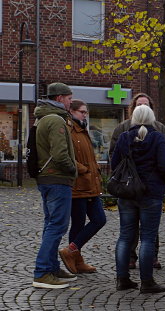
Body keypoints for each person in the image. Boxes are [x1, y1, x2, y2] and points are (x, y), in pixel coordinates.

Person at [111, 104, 165, 294]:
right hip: (151, 194)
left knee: (125, 237)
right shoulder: (157, 137)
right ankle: (147, 282)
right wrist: (163, 181)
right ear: (152, 118)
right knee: (147, 237)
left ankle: (122, 279)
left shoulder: (124, 137)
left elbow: (114, 164)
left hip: (127, 193)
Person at [31, 83, 79, 289]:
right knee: (57, 226)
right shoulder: (55, 119)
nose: (71, 102)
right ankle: (42, 272)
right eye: (69, 98)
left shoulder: (42, 117)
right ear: (60, 98)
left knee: (51, 225)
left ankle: (51, 267)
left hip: (47, 179)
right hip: (57, 179)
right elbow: (60, 154)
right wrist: (73, 170)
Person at [58, 99, 106, 274]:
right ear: (72, 111)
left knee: (99, 219)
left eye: (86, 112)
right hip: (78, 185)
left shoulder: (82, 130)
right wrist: (83, 170)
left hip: (90, 183)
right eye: (82, 112)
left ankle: (72, 252)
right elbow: (66, 157)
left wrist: (94, 169)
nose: (85, 115)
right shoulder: (69, 130)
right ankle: (75, 257)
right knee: (79, 223)